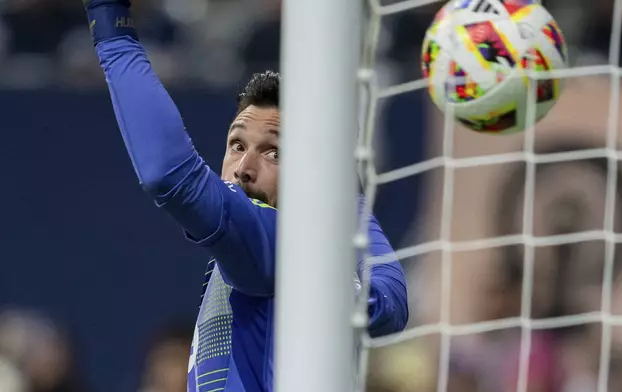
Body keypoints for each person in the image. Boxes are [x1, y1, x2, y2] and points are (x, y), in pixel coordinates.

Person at [82, 1, 409, 391]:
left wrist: (113, 31)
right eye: (236, 145)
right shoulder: (309, 254)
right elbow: (388, 301)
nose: (243, 168)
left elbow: (167, 175)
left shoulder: (277, 240)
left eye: (275, 151)